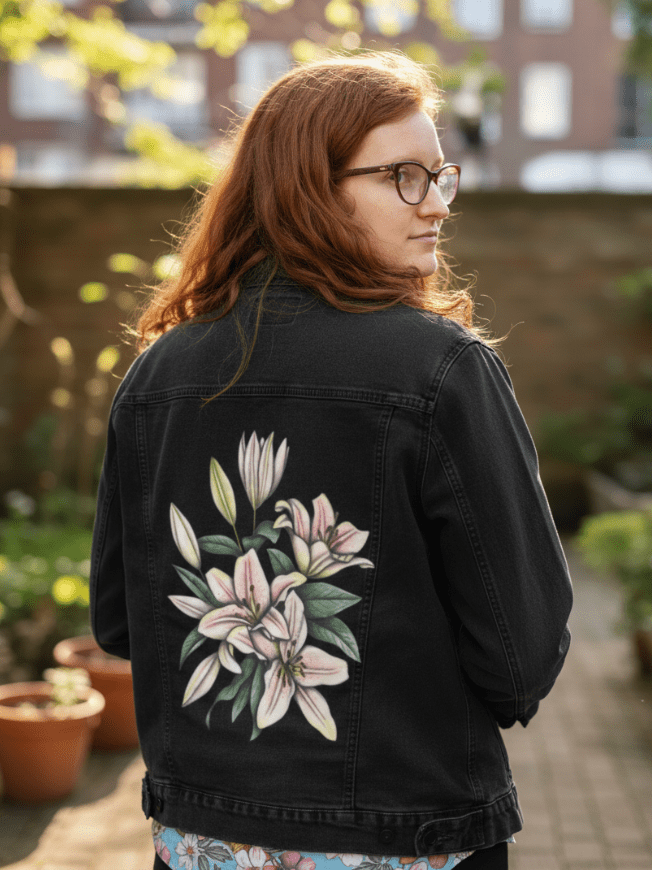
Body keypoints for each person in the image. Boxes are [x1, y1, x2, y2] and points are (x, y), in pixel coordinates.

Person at [90, 51, 573, 870]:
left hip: (206, 844)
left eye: (440, 175)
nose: (437, 206)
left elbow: (123, 620)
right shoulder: (441, 370)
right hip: (406, 839)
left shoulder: (156, 375)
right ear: (310, 188)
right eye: (403, 178)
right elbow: (520, 654)